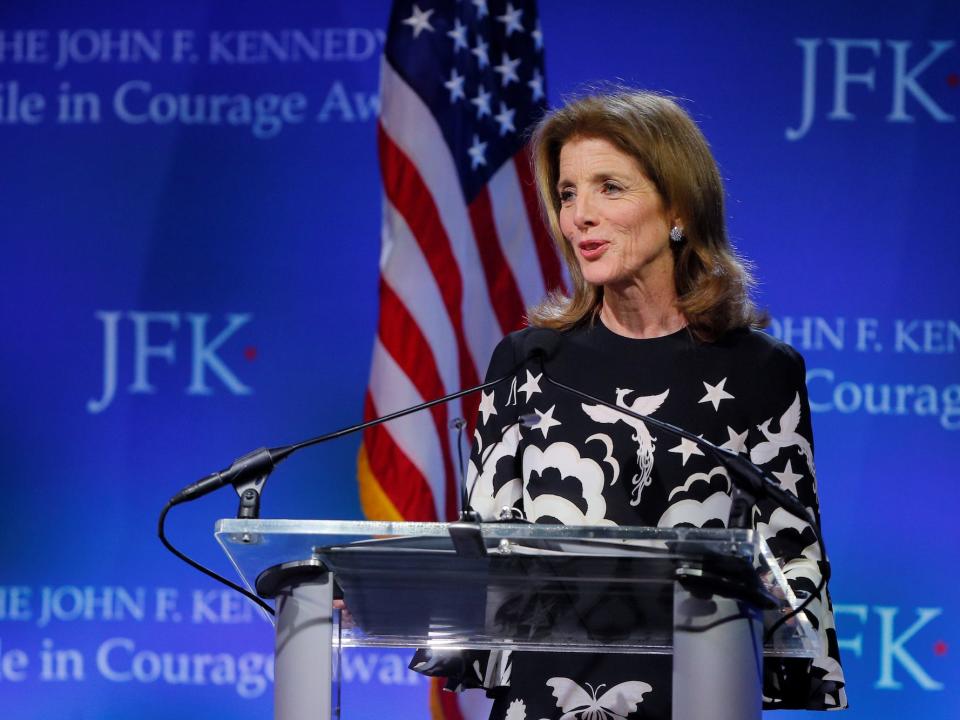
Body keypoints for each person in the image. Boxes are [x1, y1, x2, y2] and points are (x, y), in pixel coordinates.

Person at [412, 89, 847, 718]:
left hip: (699, 690)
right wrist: (381, 593)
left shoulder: (761, 373)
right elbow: (486, 545)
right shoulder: (529, 362)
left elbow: (793, 559)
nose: (579, 215)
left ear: (678, 208)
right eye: (567, 194)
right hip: (546, 694)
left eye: (609, 188)